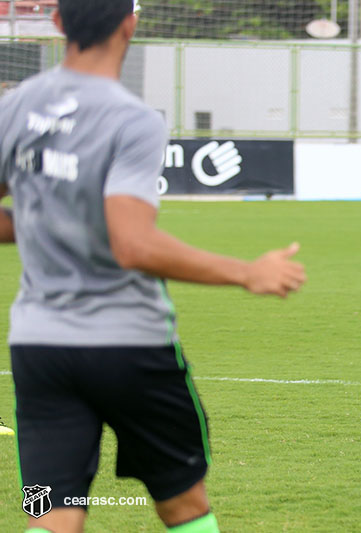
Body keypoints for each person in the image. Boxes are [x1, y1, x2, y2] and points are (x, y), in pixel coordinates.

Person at [0, 1, 307, 532]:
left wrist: (44, 217)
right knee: (183, 505)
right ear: (130, 24)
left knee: (50, 513)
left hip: (38, 348)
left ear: (58, 23)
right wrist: (247, 272)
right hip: (129, 348)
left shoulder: (13, 107)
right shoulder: (131, 119)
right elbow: (133, 245)